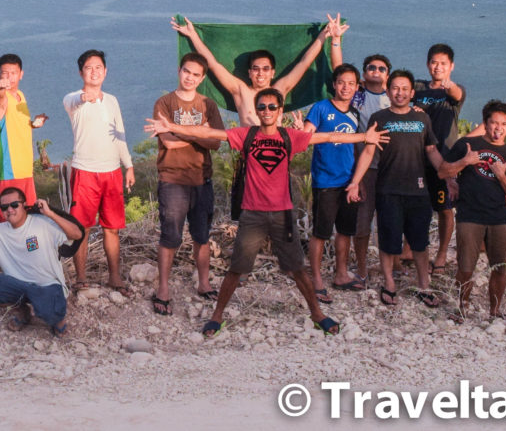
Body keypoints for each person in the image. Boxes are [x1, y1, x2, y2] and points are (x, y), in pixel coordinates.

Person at [145, 88, 388, 337]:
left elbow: (327, 137)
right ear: (257, 111)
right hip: (253, 215)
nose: (267, 111)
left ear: (280, 110)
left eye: (272, 107)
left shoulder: (290, 137)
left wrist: (364, 137)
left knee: (297, 268)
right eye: (262, 107)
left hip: (283, 214)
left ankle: (317, 313)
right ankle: (217, 316)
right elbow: (208, 132)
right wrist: (171, 126)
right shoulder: (246, 135)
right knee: (237, 269)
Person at [346, 70, 444, 308]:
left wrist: (449, 173)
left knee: (420, 242)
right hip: (388, 189)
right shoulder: (379, 118)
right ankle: (389, 283)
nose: (400, 93)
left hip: (418, 190)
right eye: (395, 88)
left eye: (405, 89)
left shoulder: (422, 119)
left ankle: (423, 285)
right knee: (389, 241)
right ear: (388, 92)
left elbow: (431, 150)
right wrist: (355, 181)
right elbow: (369, 151)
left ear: (412, 93)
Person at [150, 53, 225, 316]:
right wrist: (199, 132)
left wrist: (178, 130)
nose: (190, 77)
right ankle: (163, 289)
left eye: (196, 74)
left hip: (201, 178)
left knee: (201, 235)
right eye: (186, 72)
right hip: (172, 179)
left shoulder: (208, 104)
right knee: (170, 236)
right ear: (179, 71)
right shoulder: (164, 103)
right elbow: (168, 142)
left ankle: (204, 283)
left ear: (202, 78)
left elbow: (217, 141)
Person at [170, 14, 341, 126]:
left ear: (273, 72)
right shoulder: (240, 90)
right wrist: (192, 35)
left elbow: (304, 63)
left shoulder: (279, 90)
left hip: (276, 151)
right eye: (256, 69)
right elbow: (213, 64)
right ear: (249, 72)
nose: (261, 73)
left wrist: (323, 36)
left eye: (266, 69)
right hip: (250, 152)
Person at [438, 101, 506, 319]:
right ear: (485, 124)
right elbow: (442, 171)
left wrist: (501, 176)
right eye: (494, 122)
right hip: (469, 216)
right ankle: (462, 308)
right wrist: (464, 162)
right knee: (465, 267)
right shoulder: (467, 145)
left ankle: (495, 312)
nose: (498, 128)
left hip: (499, 218)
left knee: (500, 267)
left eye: (504, 124)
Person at [0, 187, 82, 336]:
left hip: (47, 286)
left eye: (14, 205)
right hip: (18, 286)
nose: (10, 210)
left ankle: (57, 320)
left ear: (24, 204)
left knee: (51, 314)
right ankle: (23, 310)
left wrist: (50, 214)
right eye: (4, 207)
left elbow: (77, 234)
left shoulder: (42, 223)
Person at [63, 49, 135, 294]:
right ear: (80, 72)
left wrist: (129, 165)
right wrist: (86, 98)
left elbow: (120, 134)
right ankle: (81, 278)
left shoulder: (112, 100)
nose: (94, 72)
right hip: (84, 171)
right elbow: (77, 101)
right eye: (88, 68)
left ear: (105, 71)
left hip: (112, 172)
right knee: (81, 227)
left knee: (112, 227)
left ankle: (114, 276)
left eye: (98, 67)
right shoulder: (72, 99)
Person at [330, 27, 392, 283]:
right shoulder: (358, 96)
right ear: (364, 74)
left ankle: (395, 265)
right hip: (364, 168)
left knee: (390, 220)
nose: (375, 71)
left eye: (381, 68)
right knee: (363, 223)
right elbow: (340, 72)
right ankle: (363, 268)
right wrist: (336, 41)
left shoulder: (394, 97)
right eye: (371, 67)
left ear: (388, 74)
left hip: (390, 169)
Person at [301, 63, 366, 302]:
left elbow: (358, 148)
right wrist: (301, 131)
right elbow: (306, 136)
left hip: (349, 181)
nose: (346, 87)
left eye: (351, 83)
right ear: (334, 85)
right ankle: (316, 278)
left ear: (357, 87)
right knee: (321, 232)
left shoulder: (355, 113)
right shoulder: (320, 108)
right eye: (341, 82)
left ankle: (341, 274)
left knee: (345, 231)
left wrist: (359, 181)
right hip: (325, 180)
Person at [412, 43, 466, 276]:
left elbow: (457, 94)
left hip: (444, 158)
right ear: (427, 64)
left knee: (445, 209)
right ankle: (410, 248)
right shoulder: (417, 88)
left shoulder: (453, 92)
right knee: (414, 205)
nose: (438, 67)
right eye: (434, 62)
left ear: (451, 66)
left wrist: (449, 85)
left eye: (443, 63)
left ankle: (442, 254)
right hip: (416, 157)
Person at [0, 53, 48, 223]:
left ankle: (30, 250)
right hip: (8, 170)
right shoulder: (1, 98)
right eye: (4, 73)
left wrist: (33, 124)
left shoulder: (20, 95)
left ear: (21, 74)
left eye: (13, 73)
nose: (9, 77)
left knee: (30, 219)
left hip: (25, 169)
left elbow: (14, 123)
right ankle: (5, 251)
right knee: (8, 221)